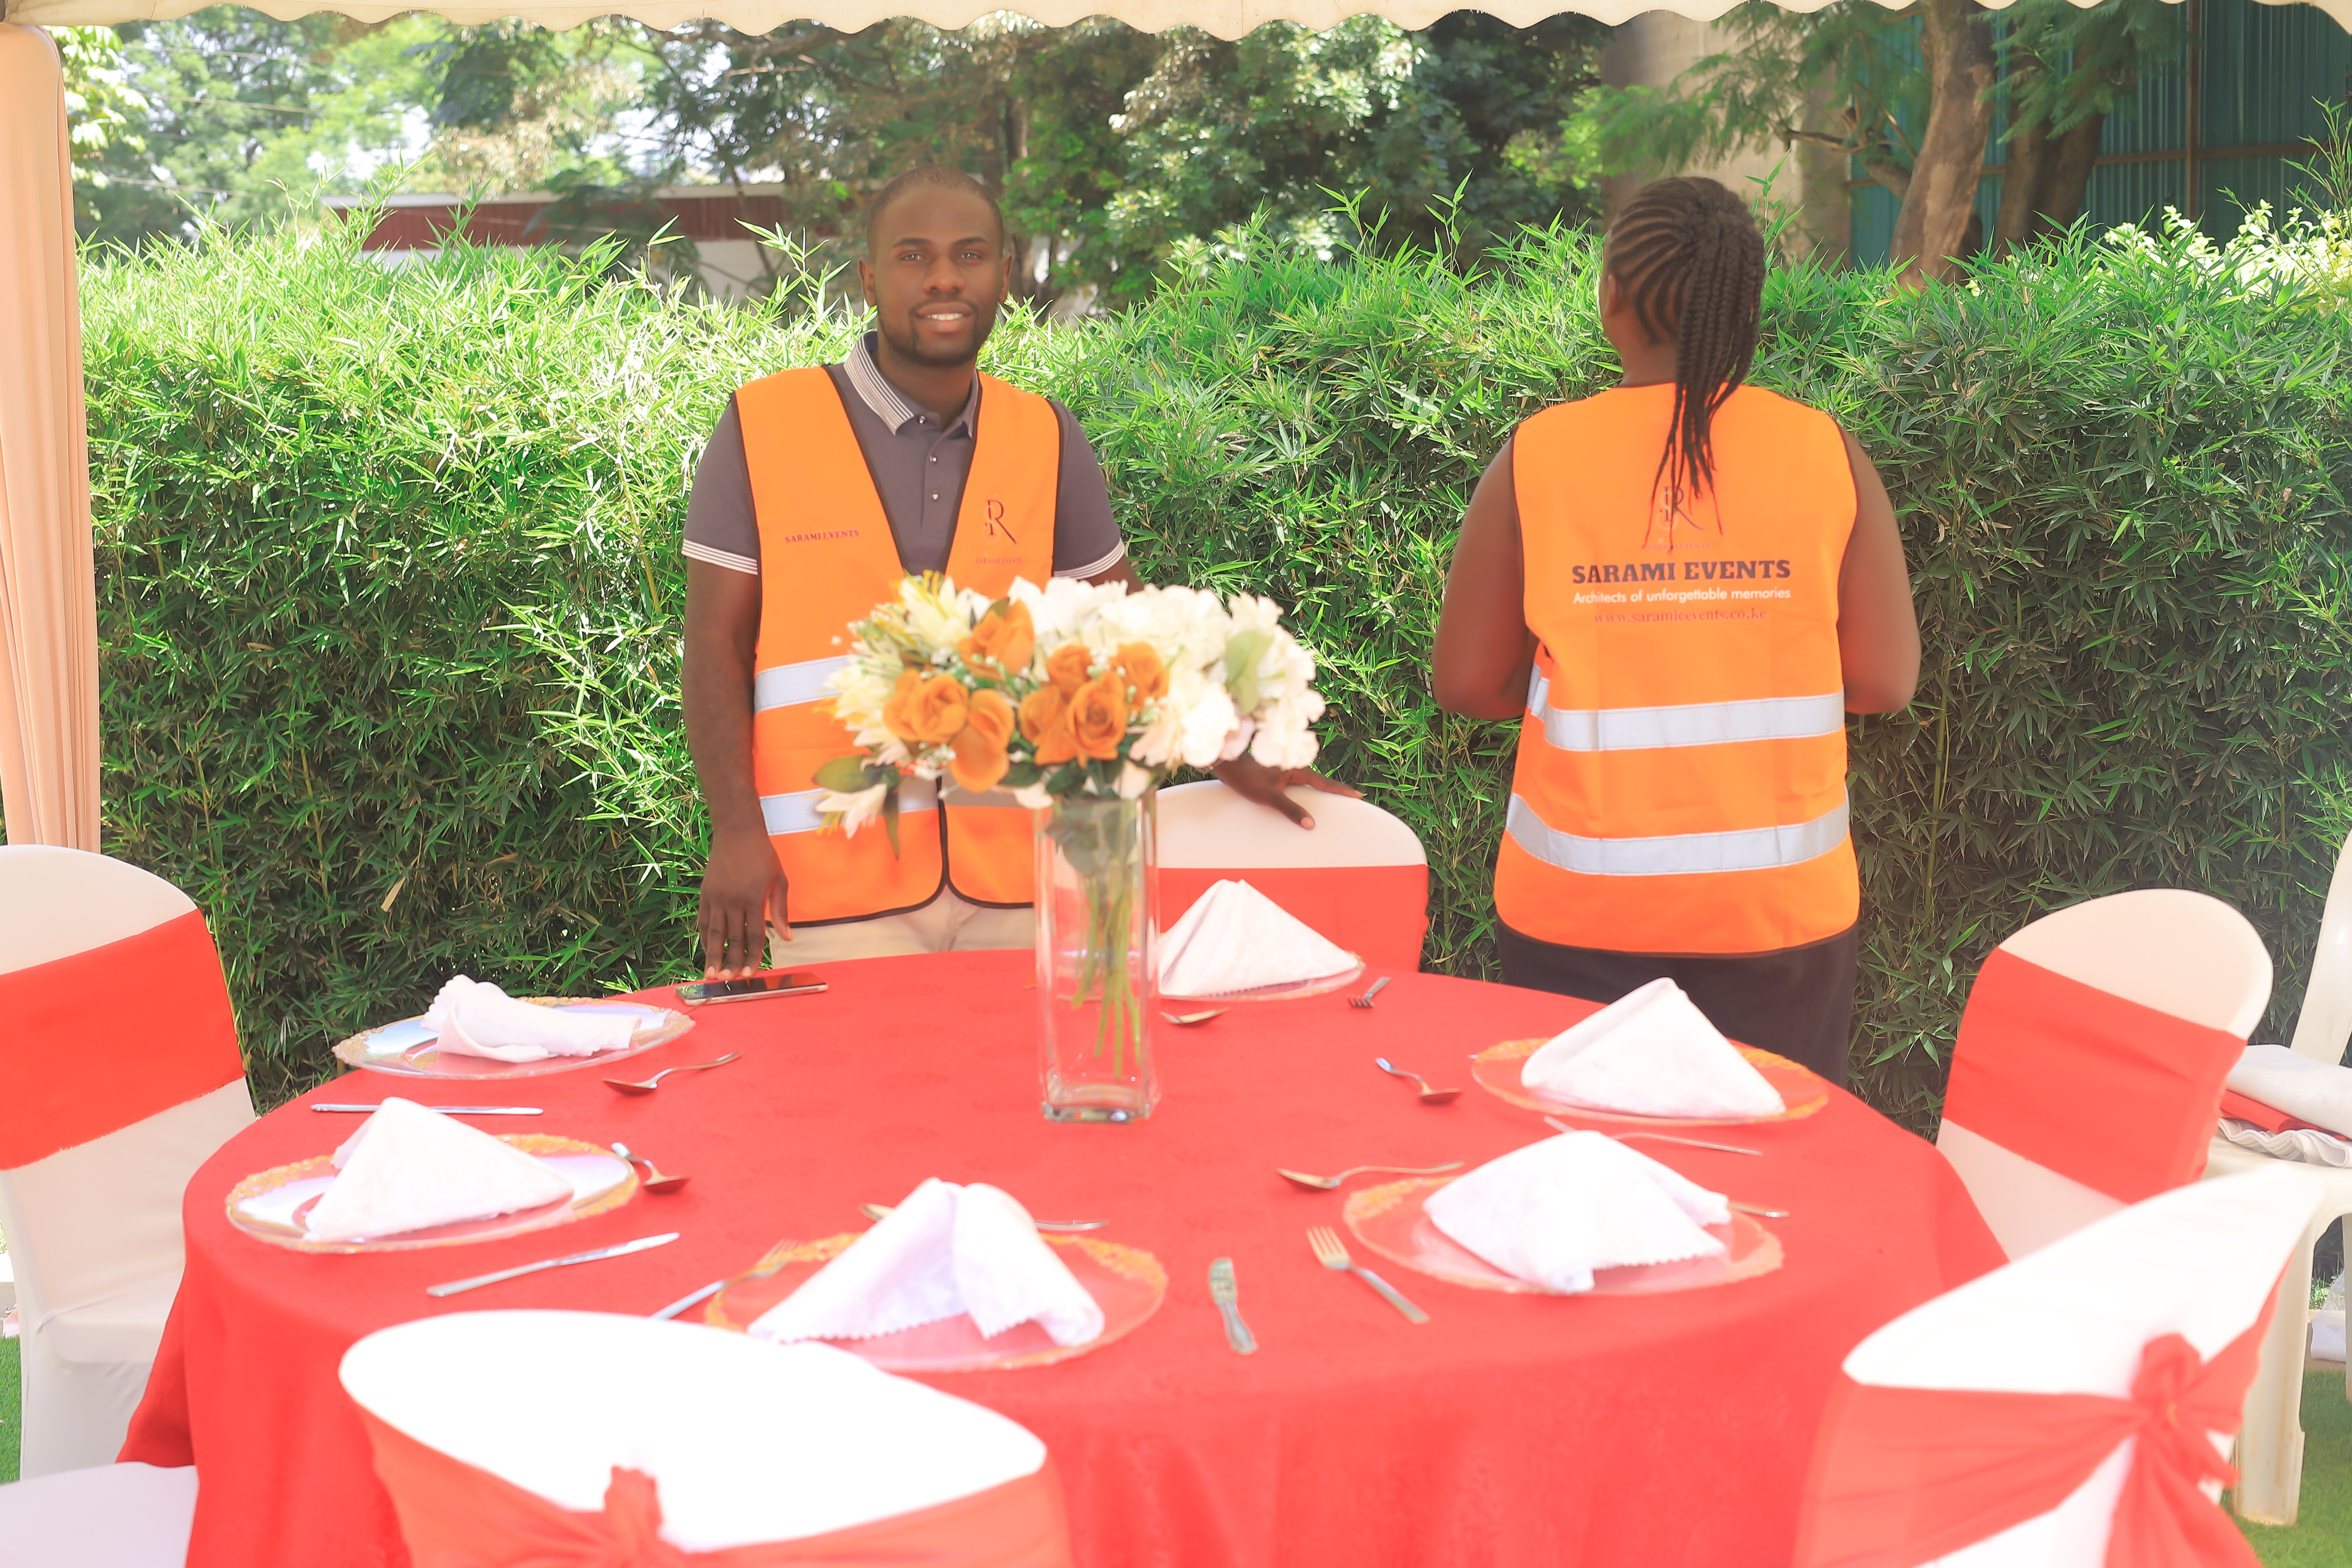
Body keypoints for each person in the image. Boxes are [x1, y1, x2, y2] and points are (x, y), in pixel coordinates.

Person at [683, 165, 1348, 978]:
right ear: (867, 278)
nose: (942, 278)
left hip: (1023, 879)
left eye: (969, 254)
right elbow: (714, 646)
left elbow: (1127, 631)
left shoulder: (1045, 434)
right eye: (912, 255)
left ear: (1004, 273)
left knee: (1019, 1103)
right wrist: (736, 831)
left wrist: (1235, 746)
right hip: (823, 881)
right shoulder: (763, 422)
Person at [1430, 176, 1919, 1084]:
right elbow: (1886, 680)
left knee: (1588, 1176)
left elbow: (1466, 683)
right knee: (1770, 1179)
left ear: (1610, 296)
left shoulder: (1536, 455)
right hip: (1779, 916)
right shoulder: (1826, 452)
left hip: (1576, 915)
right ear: (1748, 305)